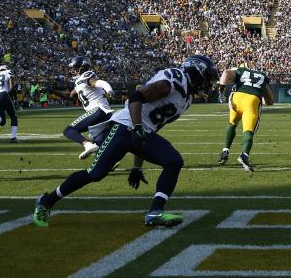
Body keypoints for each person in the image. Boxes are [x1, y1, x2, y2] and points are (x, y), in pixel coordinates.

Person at [32, 55, 217, 229]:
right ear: (196, 72)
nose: (208, 83)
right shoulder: (176, 79)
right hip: (124, 126)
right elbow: (136, 98)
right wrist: (137, 128)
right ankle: (46, 202)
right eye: (207, 78)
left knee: (173, 161)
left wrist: (137, 167)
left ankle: (155, 212)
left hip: (140, 130)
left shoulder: (187, 98)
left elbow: (151, 127)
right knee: (95, 174)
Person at [217, 63, 273, 172]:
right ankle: (244, 155)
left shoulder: (240, 71)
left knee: (232, 123)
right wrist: (263, 99)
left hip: (236, 98)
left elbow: (226, 73)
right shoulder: (262, 75)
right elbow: (270, 100)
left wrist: (221, 92)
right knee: (249, 130)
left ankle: (225, 151)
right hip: (251, 101)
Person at [61, 56, 114, 159]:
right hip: (105, 114)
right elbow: (70, 96)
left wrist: (109, 90)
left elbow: (98, 82)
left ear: (82, 67)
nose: (73, 70)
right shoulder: (79, 82)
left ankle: (87, 145)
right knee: (98, 146)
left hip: (98, 110)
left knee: (69, 130)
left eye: (75, 68)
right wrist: (52, 91)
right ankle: (109, 163)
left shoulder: (86, 75)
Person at [0, 64, 19, 142]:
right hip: (4, 94)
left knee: (2, 122)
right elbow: (11, 88)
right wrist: (15, 98)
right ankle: (13, 138)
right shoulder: (7, 72)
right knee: (13, 117)